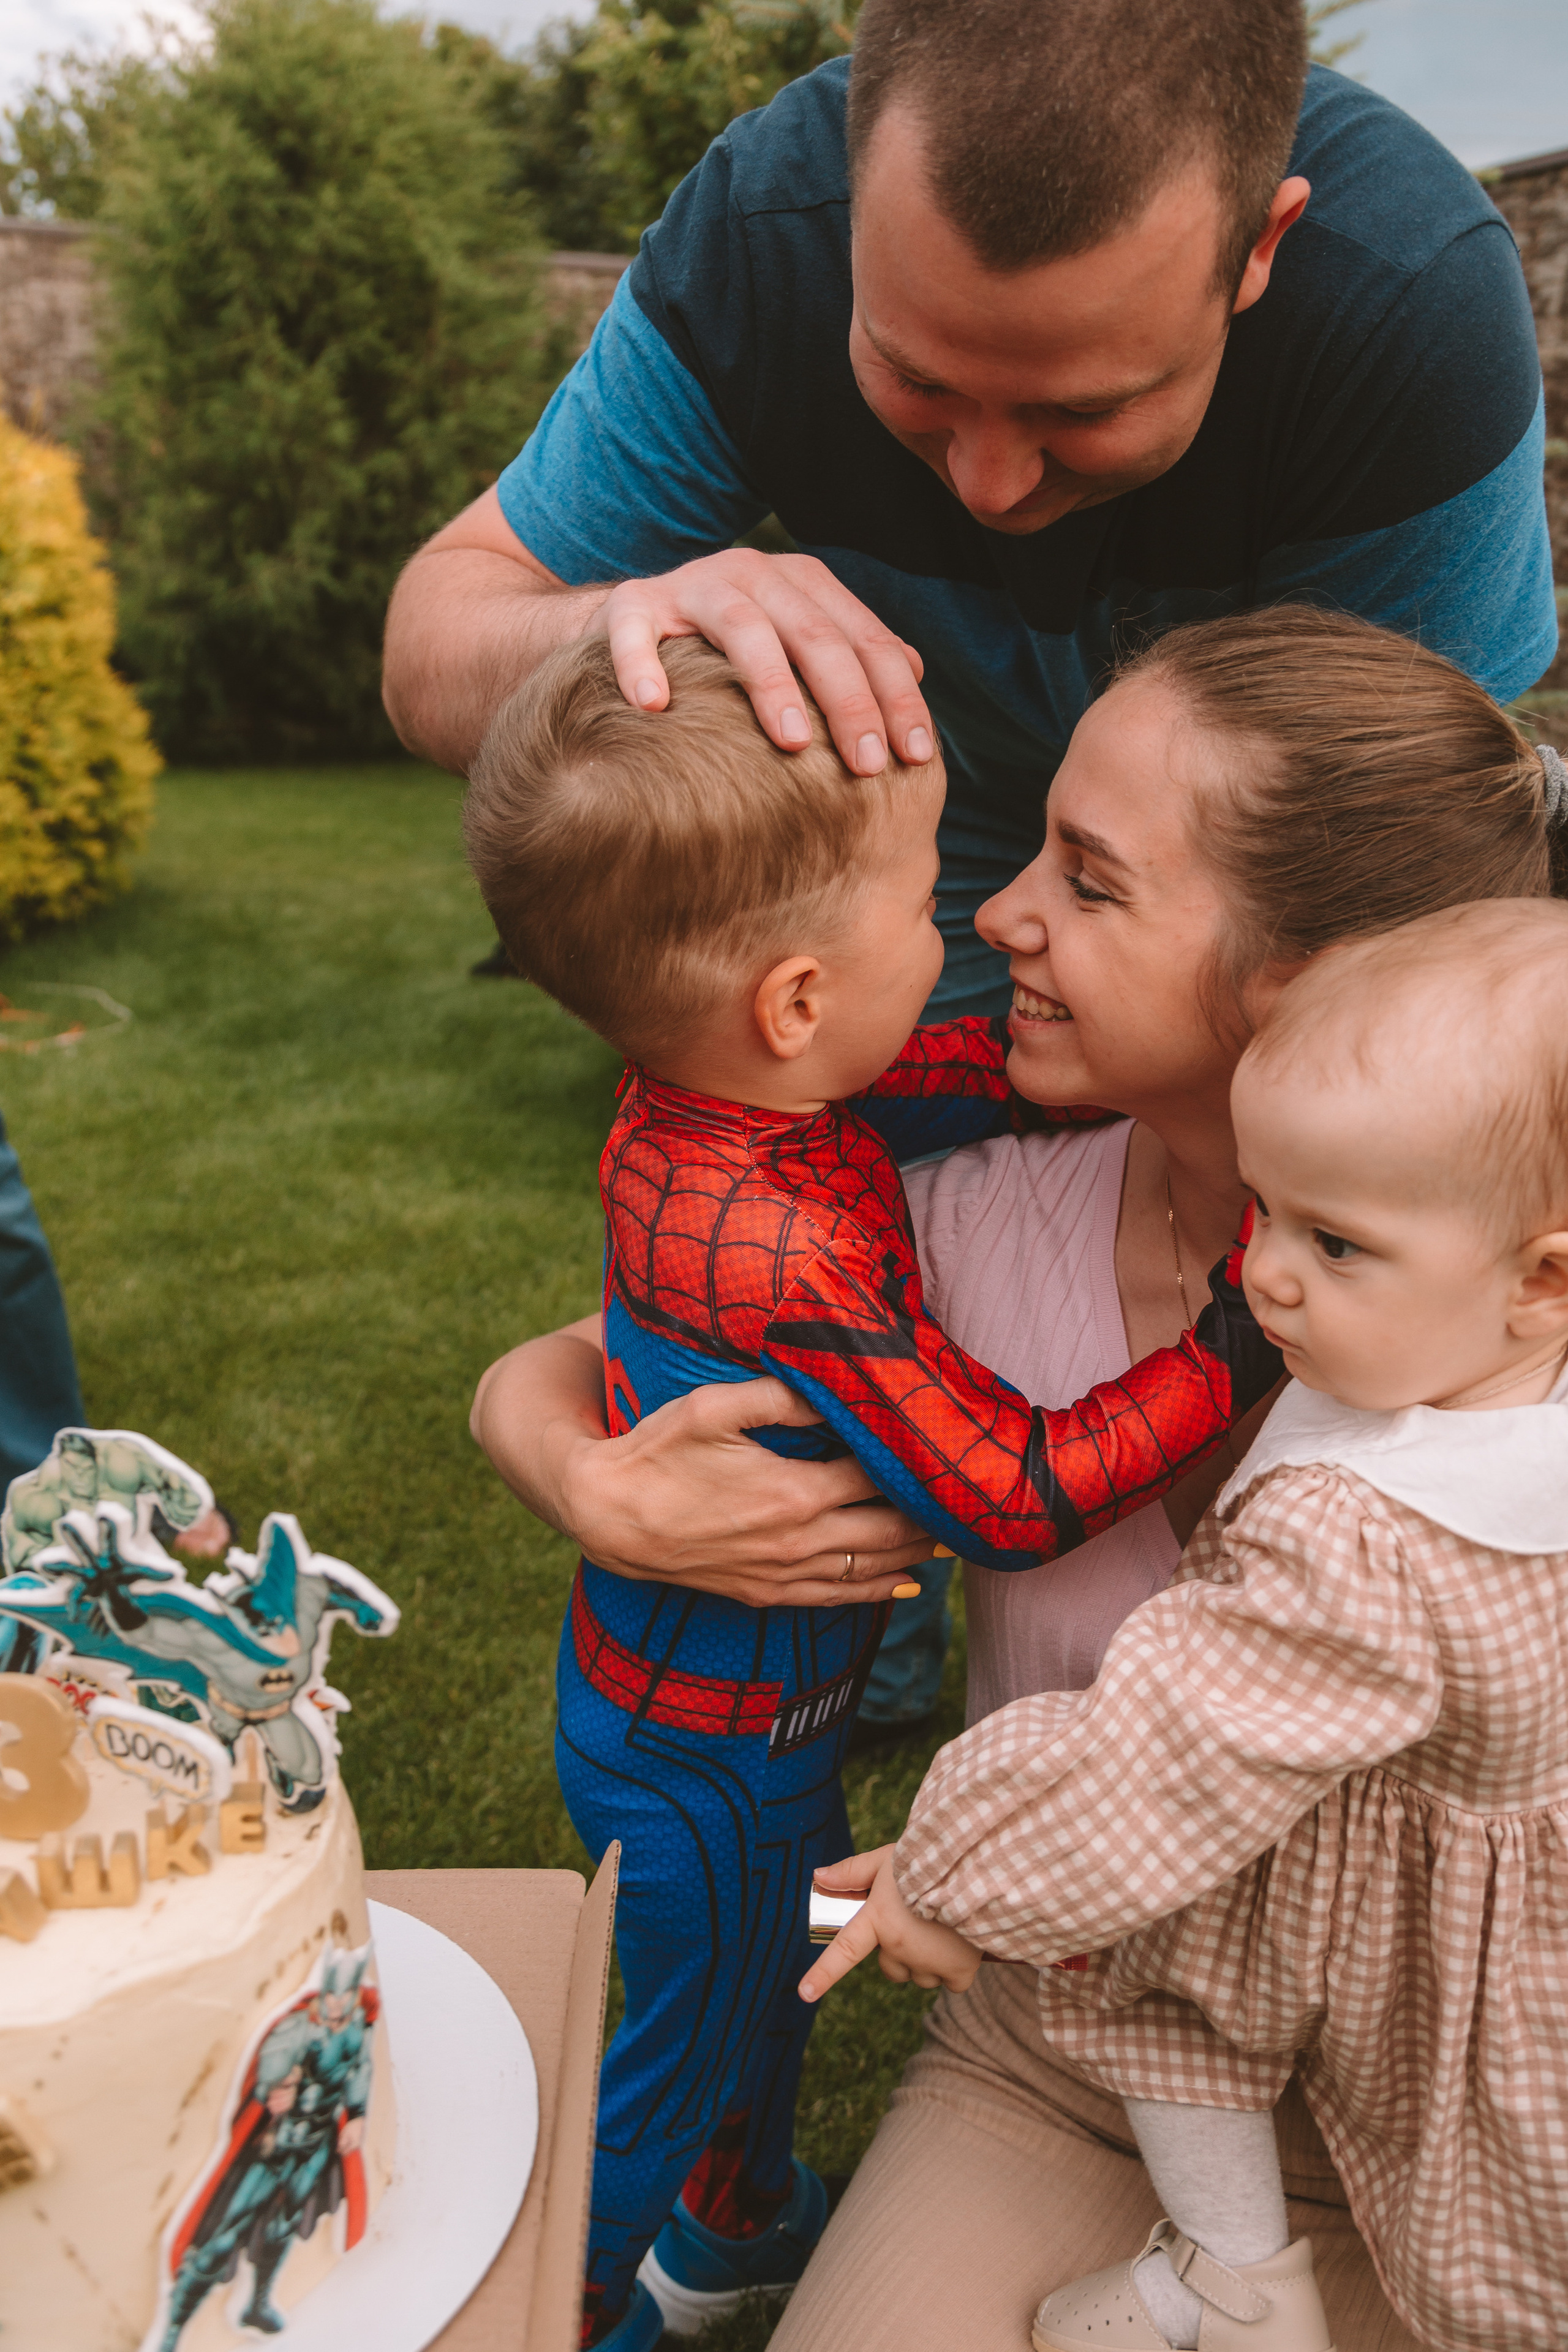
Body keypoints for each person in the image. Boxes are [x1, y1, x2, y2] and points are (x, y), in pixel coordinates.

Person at [385, 0, 1555, 1737]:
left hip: (1206, 845)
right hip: (974, 860)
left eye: (1083, 409)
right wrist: (611, 622)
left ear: (1257, 255)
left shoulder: (1404, 317)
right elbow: (433, 648)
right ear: (849, 206)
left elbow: (1414, 899)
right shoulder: (758, 242)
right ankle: (909, 1653)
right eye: (916, 379)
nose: (991, 485)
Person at [472, 607, 1563, 2351]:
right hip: (1066, 2034)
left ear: (1306, 985)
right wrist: (571, 1472)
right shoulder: (969, 1217)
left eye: (1092, 879)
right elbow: (591, 1343)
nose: (997, 913)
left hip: (1468, 2109)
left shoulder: (1531, 1312)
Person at [803, 896, 1568, 2352]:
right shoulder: (1497, 1382)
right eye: (1266, 1211)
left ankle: (1241, 2285)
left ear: (1541, 1280)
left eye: (1333, 1244)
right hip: (1414, 1906)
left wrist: (950, 1870)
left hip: (1403, 1965)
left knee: (1439, 2182)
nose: (1264, 1271)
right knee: (1189, 2003)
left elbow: (1156, 1759)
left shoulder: (1354, 1542)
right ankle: (1238, 2279)